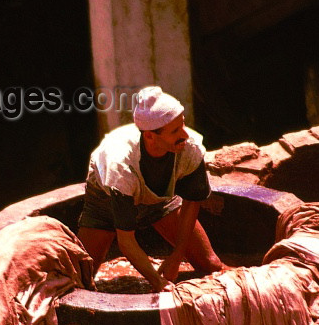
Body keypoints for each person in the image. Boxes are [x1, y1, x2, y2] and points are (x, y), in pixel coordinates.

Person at [77, 86, 224, 292]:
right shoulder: (120, 166)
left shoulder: (189, 147)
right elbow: (126, 241)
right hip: (106, 200)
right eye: (175, 131)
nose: (184, 134)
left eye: (182, 125)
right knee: (79, 280)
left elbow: (191, 204)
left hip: (158, 198)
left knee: (212, 266)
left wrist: (176, 256)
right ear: (150, 137)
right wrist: (157, 282)